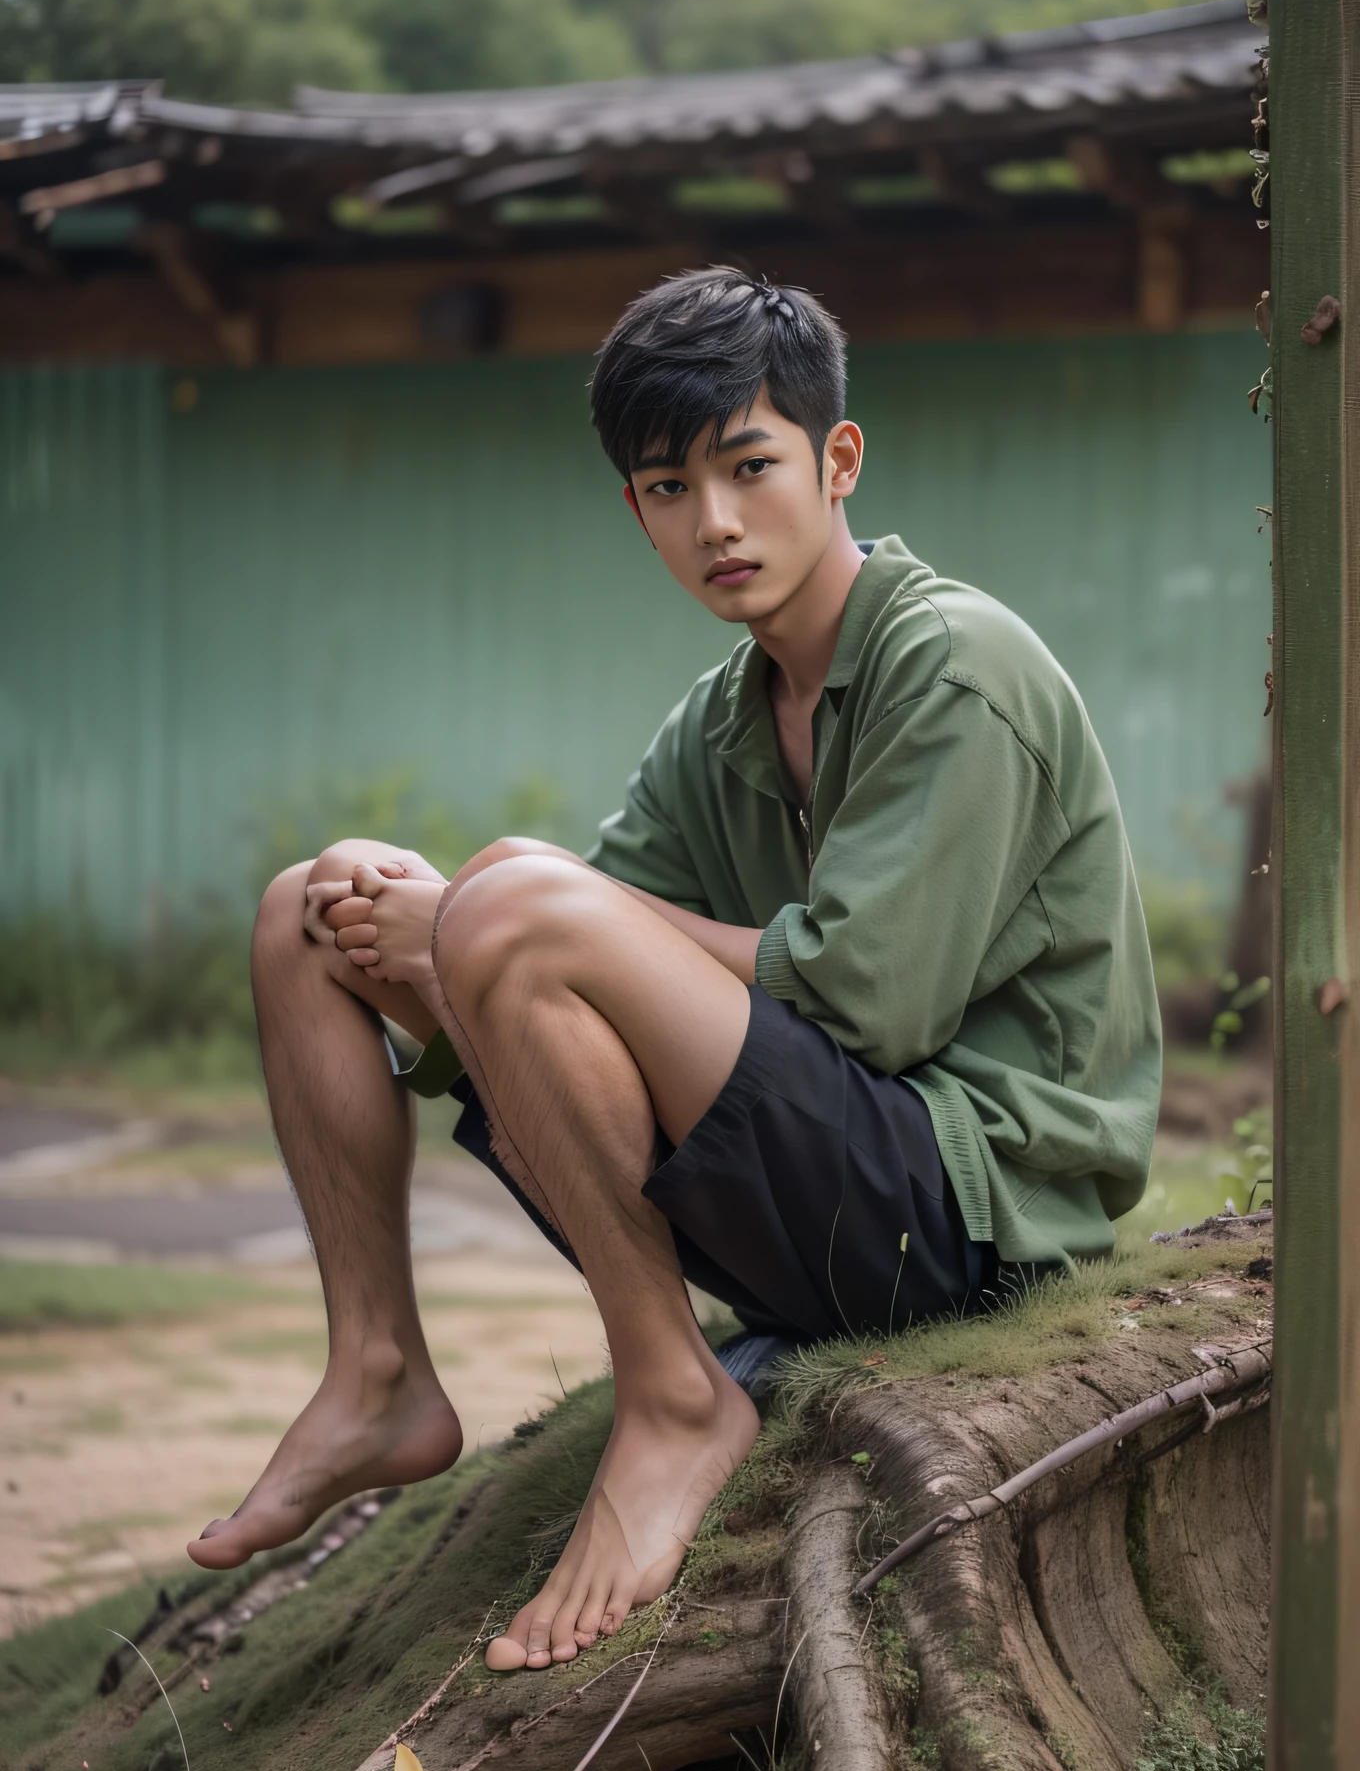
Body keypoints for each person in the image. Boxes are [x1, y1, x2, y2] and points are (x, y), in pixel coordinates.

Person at [186, 266, 1161, 1674]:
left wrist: (494, 912)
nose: (713, 522)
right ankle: (376, 1373)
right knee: (309, 908)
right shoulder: (724, 722)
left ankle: (675, 1400)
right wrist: (449, 930)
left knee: (513, 903)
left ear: (837, 462)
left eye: (749, 467)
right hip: (825, 1199)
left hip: (972, 1217)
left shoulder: (954, 663)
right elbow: (567, 979)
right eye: (664, 488)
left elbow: (867, 1002)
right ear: (633, 510)